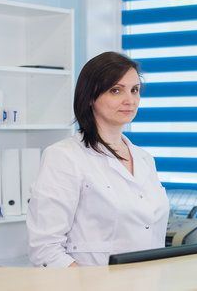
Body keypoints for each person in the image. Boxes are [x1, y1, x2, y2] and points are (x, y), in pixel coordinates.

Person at [26, 52, 170, 267]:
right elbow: (45, 248)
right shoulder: (65, 156)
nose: (129, 100)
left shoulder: (144, 159)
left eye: (134, 90)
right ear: (91, 96)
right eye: (116, 90)